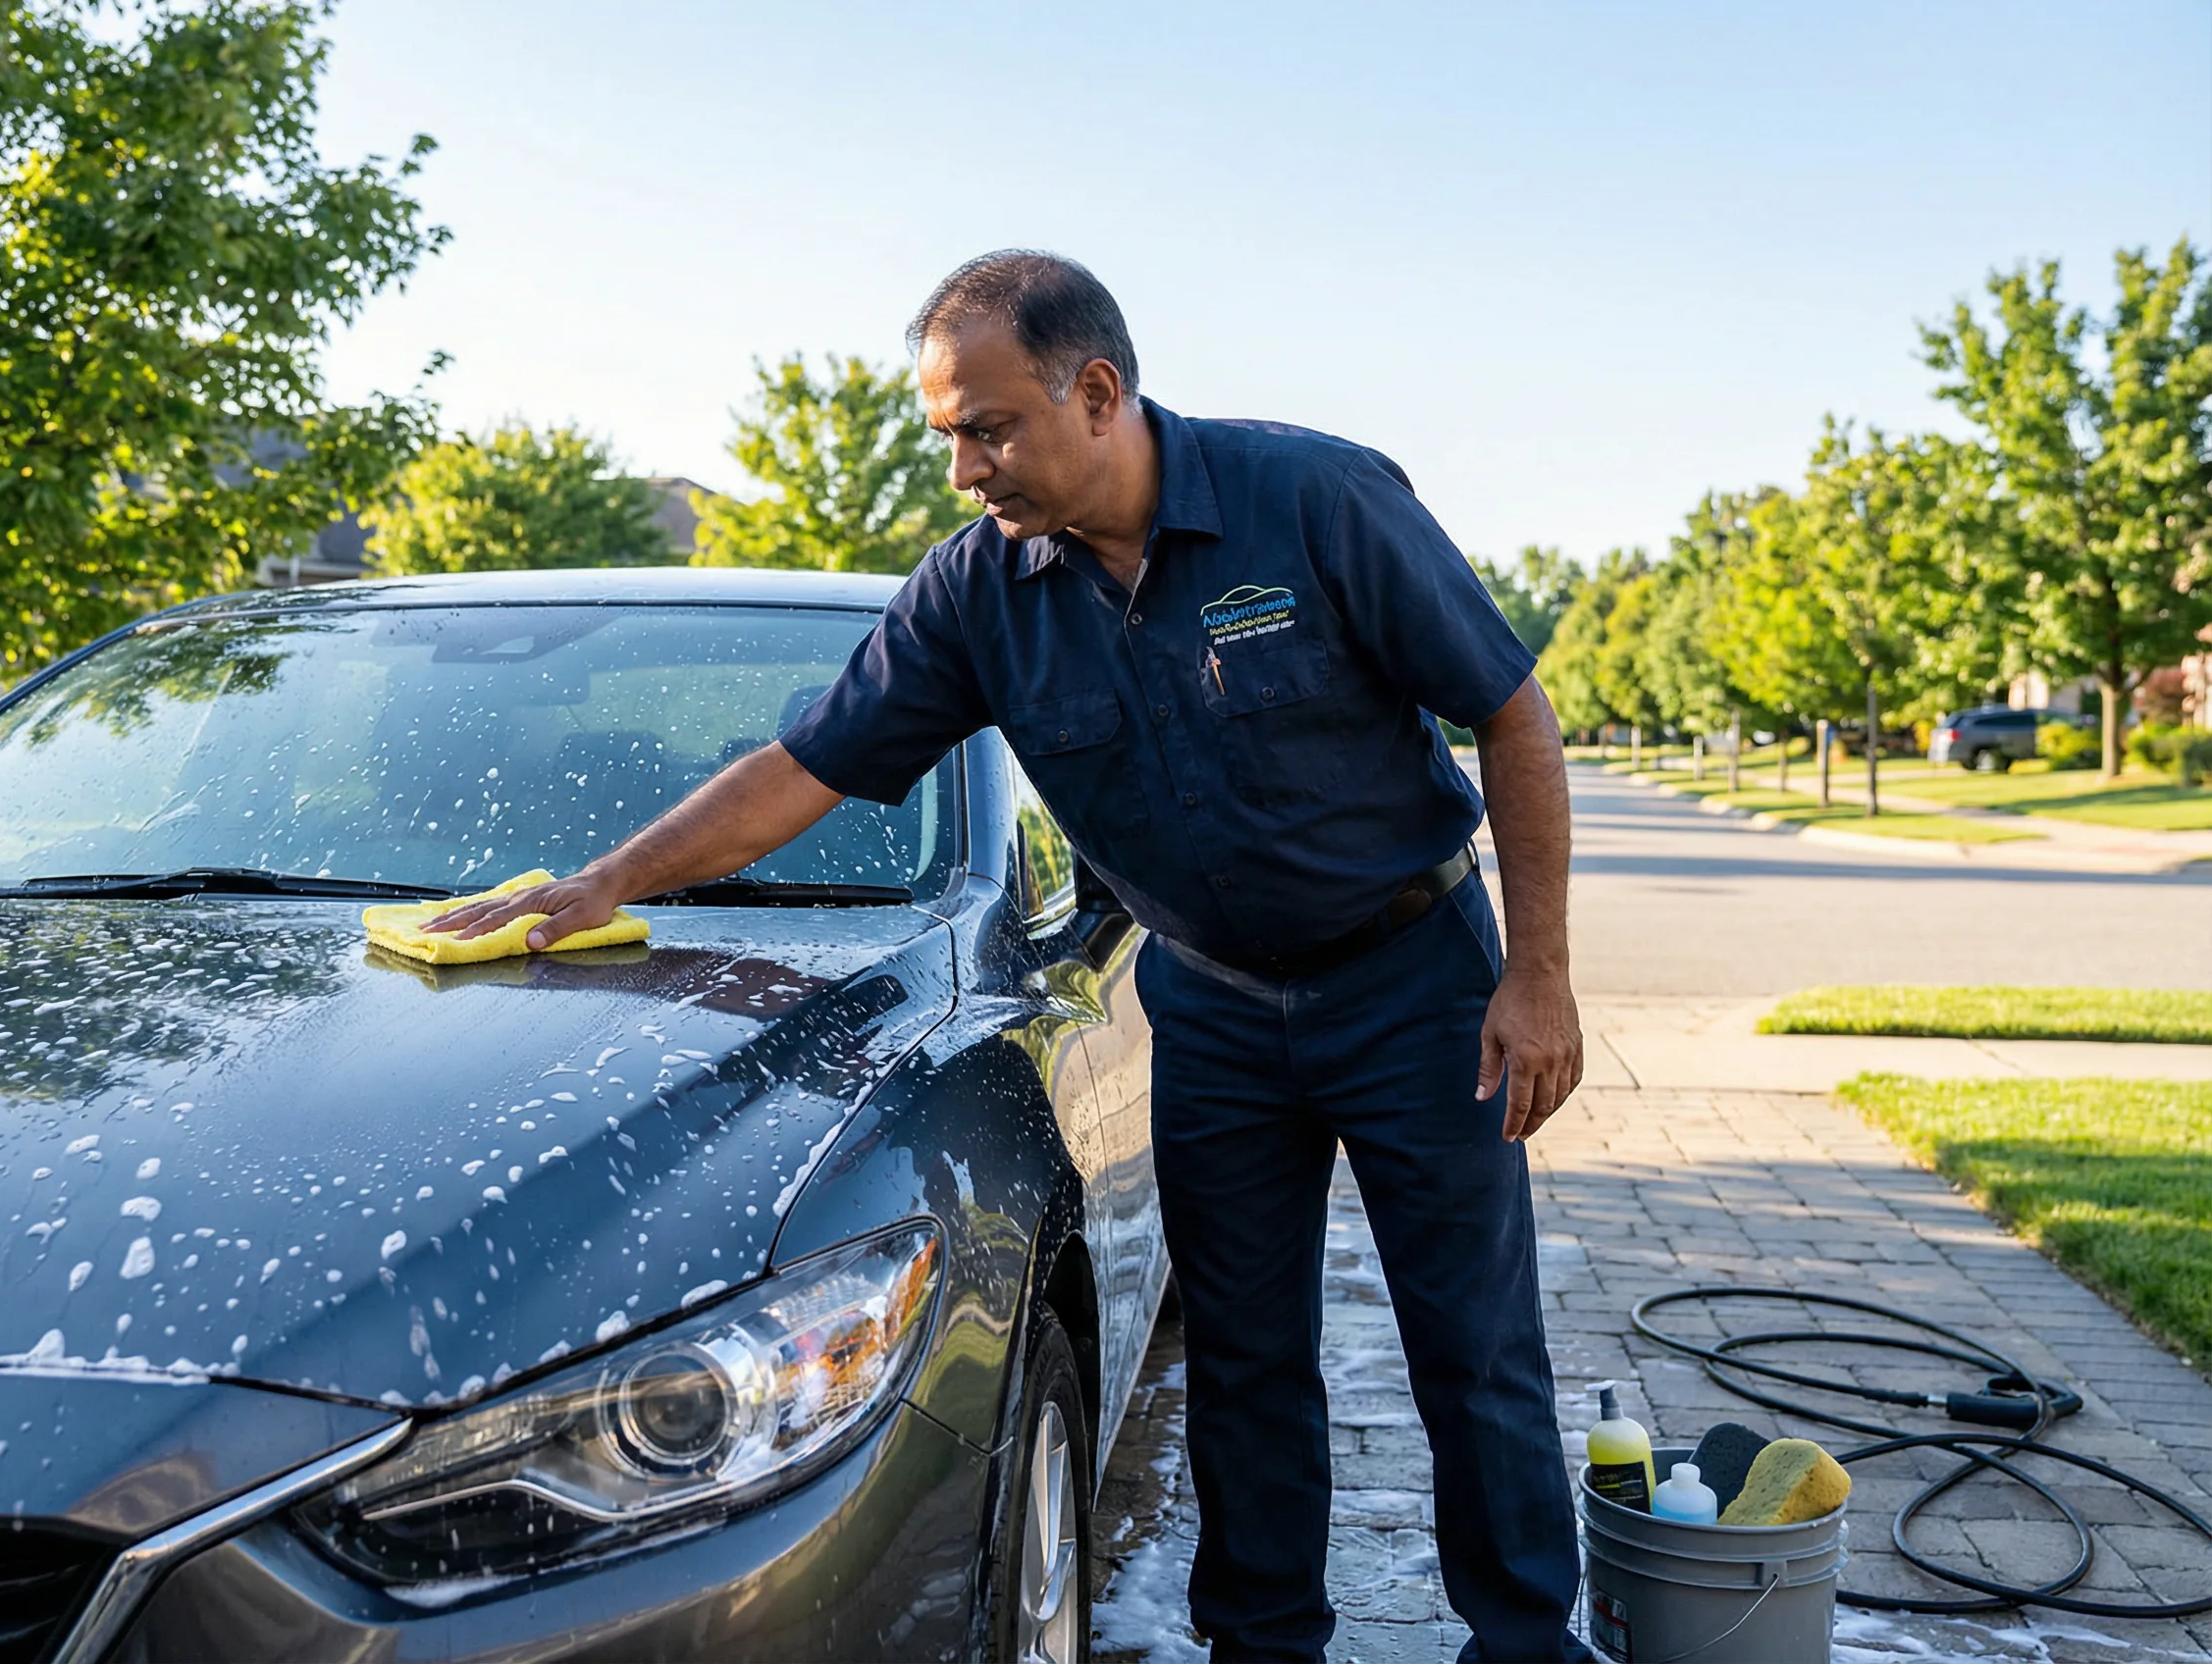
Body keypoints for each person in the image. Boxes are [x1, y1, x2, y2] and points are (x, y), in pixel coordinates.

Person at [426, 250, 1591, 1664]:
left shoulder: (1318, 501)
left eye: (988, 429)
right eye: (946, 438)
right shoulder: (975, 596)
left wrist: (1538, 975)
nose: (965, 469)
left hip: (1417, 984)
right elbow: (804, 771)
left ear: (1096, 392)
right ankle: (1263, 1643)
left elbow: (1511, 714)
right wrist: (601, 881)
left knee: (1472, 1350)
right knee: (1243, 1358)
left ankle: (1528, 1640)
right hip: (1212, 1005)